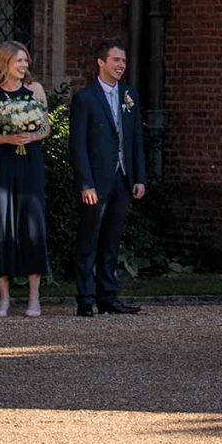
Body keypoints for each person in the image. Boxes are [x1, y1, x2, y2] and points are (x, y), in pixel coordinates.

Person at [67, 38, 146, 317]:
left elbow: (136, 138)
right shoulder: (85, 98)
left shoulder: (129, 96)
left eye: (123, 61)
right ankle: (86, 298)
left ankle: (108, 297)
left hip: (123, 178)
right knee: (89, 240)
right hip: (97, 180)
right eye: (116, 60)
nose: (121, 66)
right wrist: (85, 183)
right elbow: (77, 146)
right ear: (101, 62)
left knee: (111, 240)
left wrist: (139, 178)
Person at [0, 40, 50, 317]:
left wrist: (32, 135)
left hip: (30, 162)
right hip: (2, 163)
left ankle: (34, 297)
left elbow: (46, 128)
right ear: (4, 62)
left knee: (32, 224)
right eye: (19, 60)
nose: (24, 65)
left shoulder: (35, 90)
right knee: (1, 223)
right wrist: (7, 137)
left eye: (26, 61)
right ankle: (4, 297)